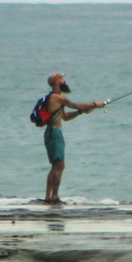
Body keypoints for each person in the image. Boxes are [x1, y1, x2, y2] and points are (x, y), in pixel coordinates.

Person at [41, 72, 105, 204]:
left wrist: (80, 112)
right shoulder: (58, 97)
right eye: (62, 79)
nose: (64, 81)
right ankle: (53, 197)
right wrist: (96, 104)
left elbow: (65, 117)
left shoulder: (55, 98)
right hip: (54, 133)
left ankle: (49, 197)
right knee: (59, 165)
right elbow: (79, 105)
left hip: (52, 132)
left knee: (56, 165)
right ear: (56, 82)